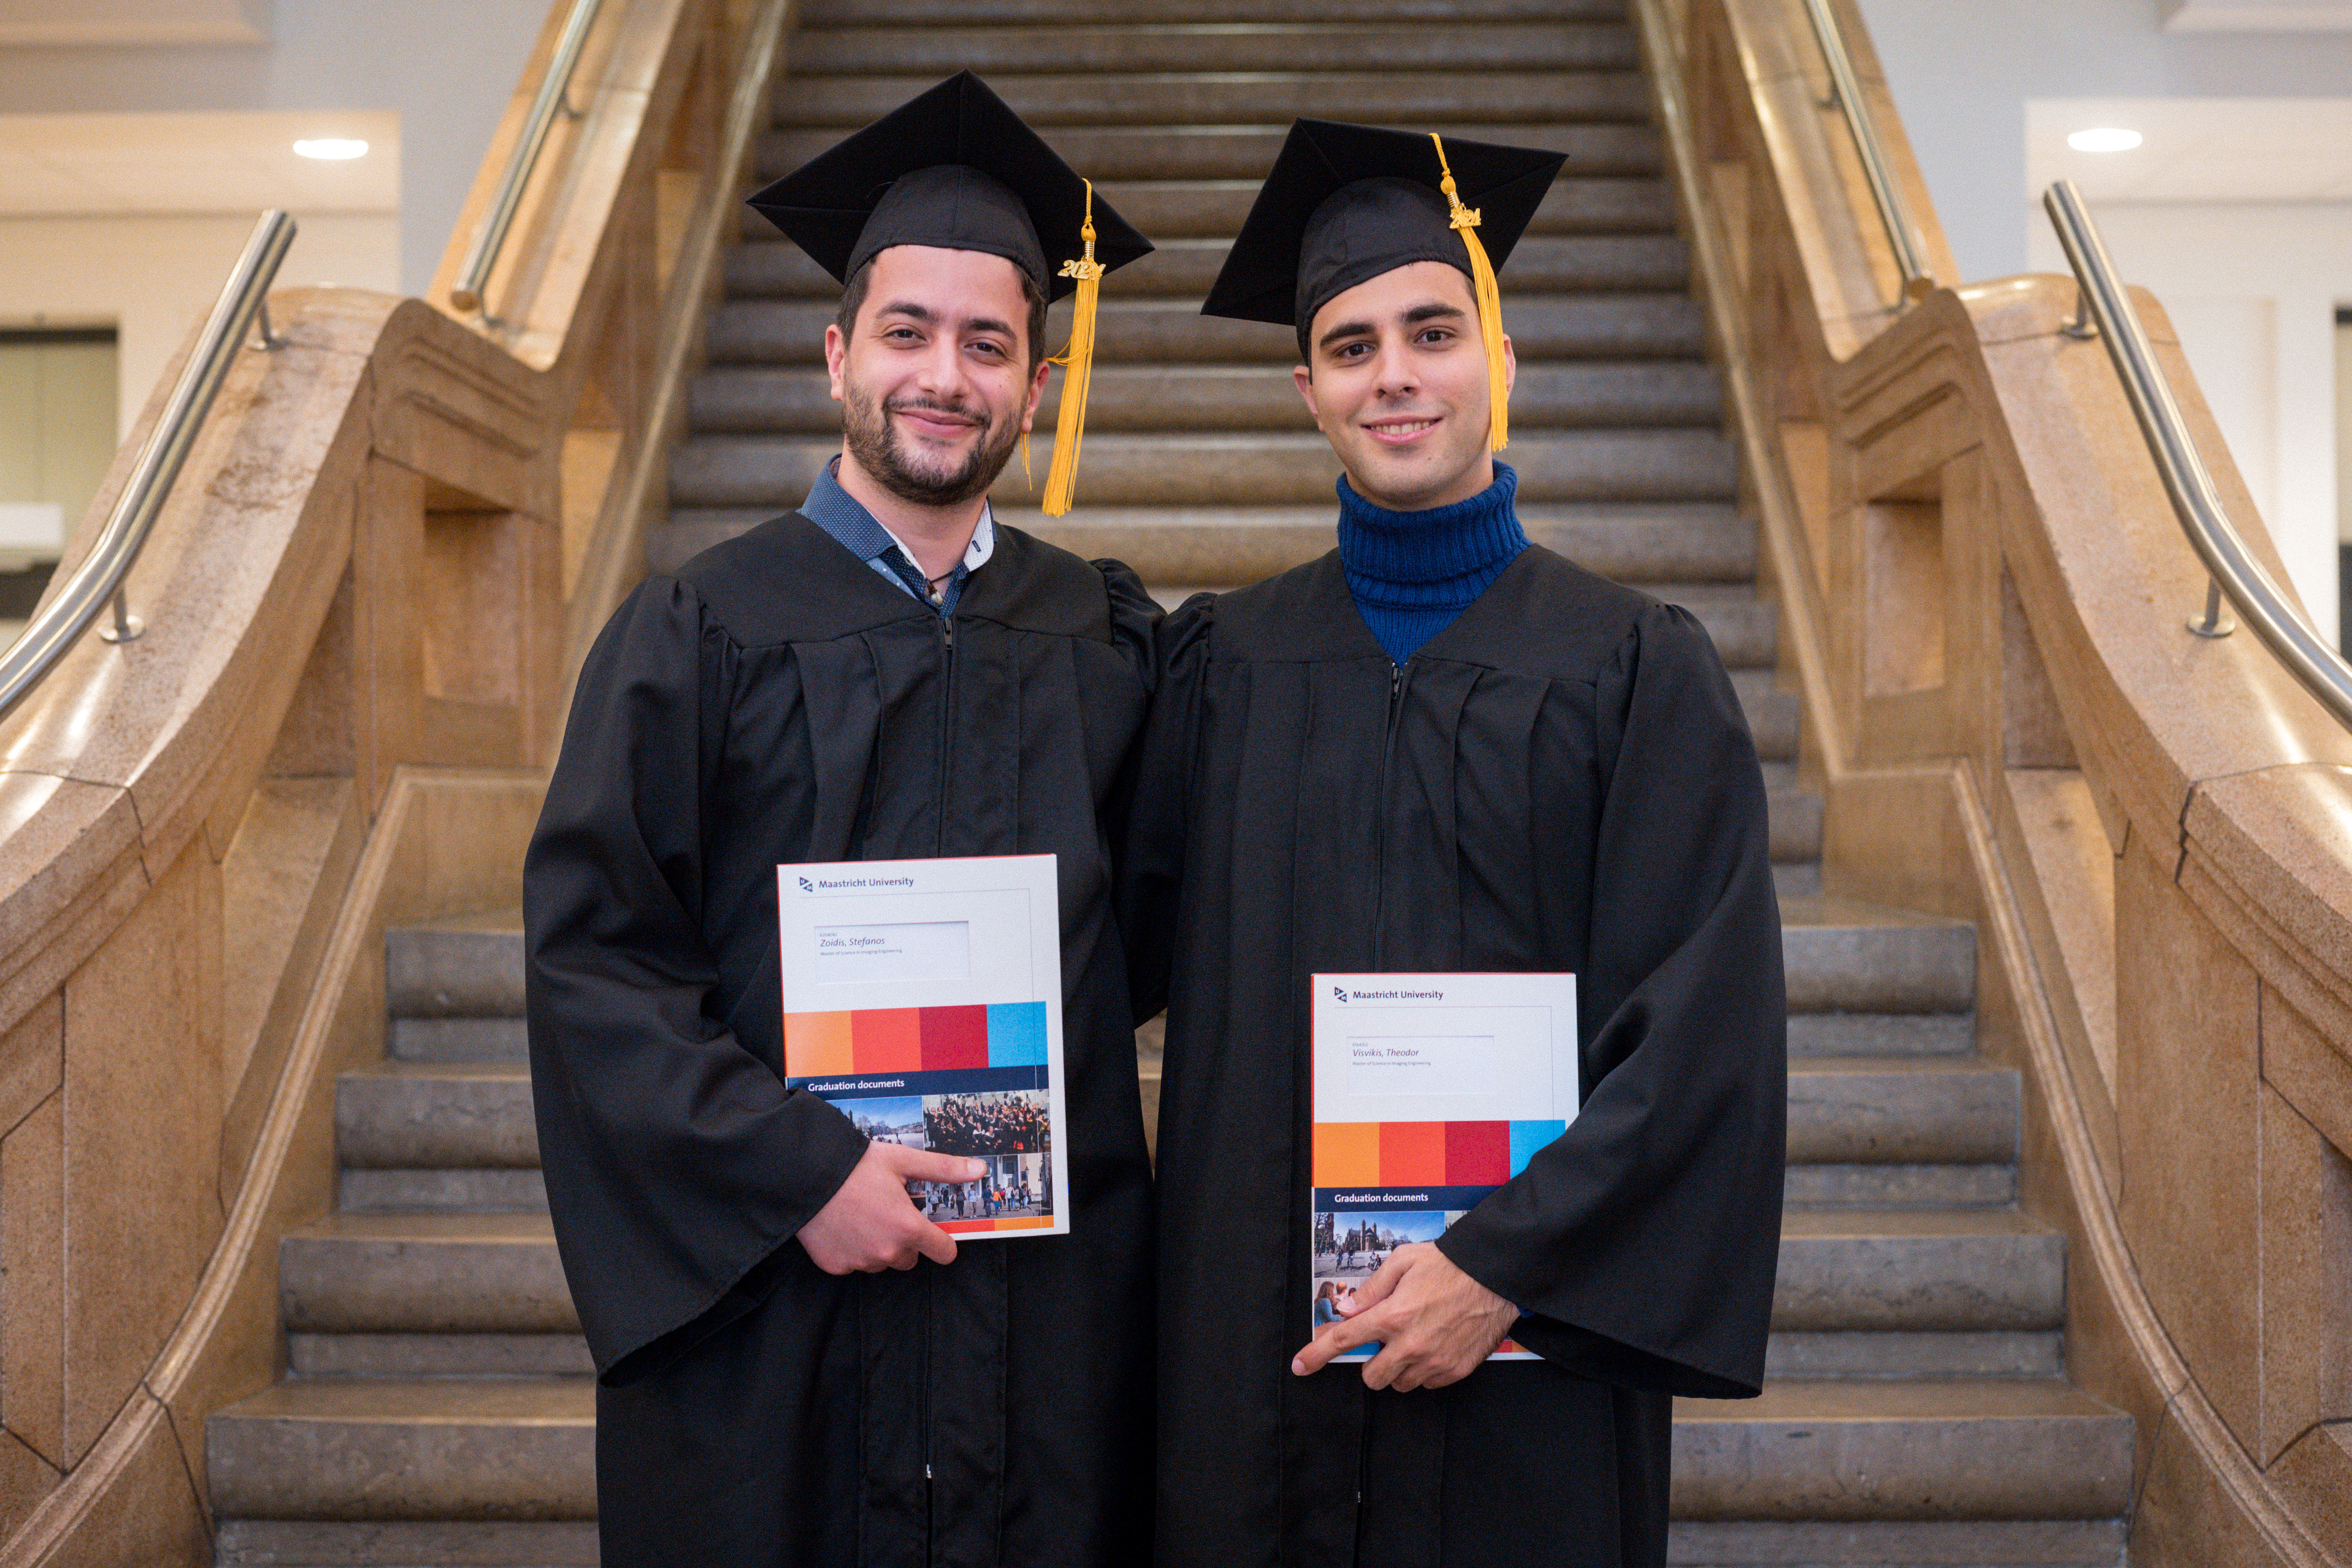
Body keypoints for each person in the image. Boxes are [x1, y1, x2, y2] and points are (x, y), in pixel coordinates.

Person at [1124, 119, 1787, 1567]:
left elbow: (1700, 1030)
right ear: (1308, 390)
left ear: (1500, 353)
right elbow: (1098, 940)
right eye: (1352, 346)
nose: (1396, 374)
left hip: (1527, 1339)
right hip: (1259, 1352)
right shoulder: (1223, 666)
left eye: (1433, 329)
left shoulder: (1635, 668)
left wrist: (1505, 1268)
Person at [525, 72, 1159, 1566]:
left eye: (988, 343)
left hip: (1036, 1317)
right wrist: (796, 1170)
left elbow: (1172, 925)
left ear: (1036, 384)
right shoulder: (700, 630)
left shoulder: (1098, 638)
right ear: (836, 355)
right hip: (779, 1314)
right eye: (907, 331)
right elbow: (596, 962)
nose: (945, 374)